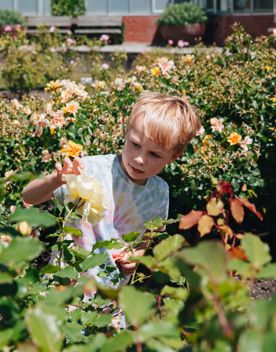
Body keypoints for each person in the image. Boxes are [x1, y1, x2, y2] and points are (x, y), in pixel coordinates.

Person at [23, 91, 201, 287]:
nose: (140, 158)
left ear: (173, 157)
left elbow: (151, 234)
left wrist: (137, 255)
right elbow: (29, 196)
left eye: (155, 155)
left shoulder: (159, 192)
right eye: (135, 144)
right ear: (126, 133)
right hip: (66, 289)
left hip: (110, 299)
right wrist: (55, 181)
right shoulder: (89, 169)